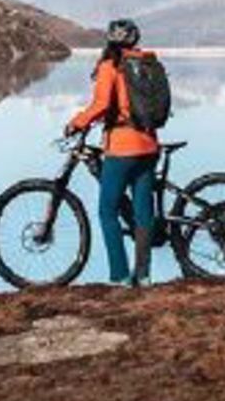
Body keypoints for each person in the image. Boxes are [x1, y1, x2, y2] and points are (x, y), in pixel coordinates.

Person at [65, 18, 162, 287]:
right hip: (149, 145)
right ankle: (143, 275)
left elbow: (100, 105)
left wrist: (76, 123)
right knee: (144, 212)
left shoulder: (111, 66)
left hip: (122, 149)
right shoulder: (148, 64)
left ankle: (119, 276)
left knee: (108, 211)